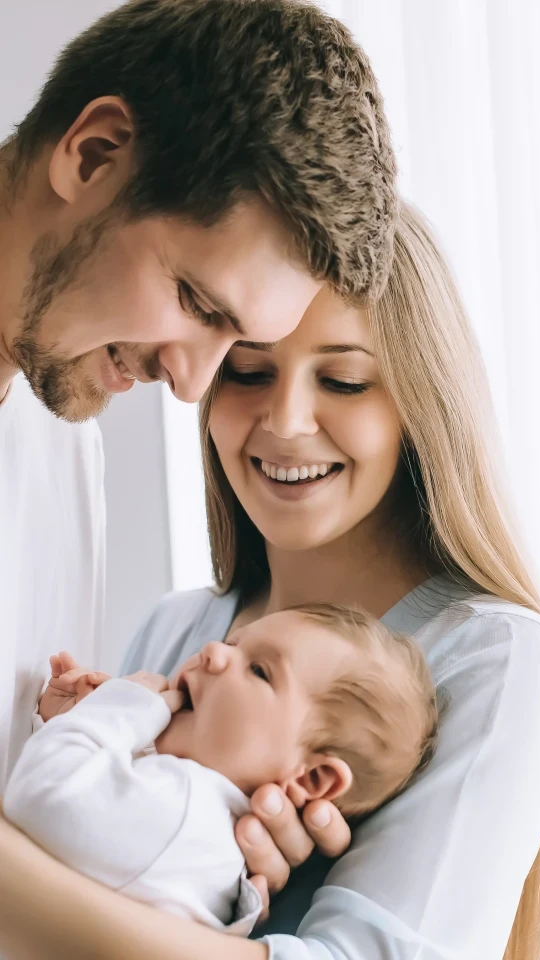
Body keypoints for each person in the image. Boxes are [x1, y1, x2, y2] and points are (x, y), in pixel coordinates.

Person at [0, 203, 540, 960]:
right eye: (249, 372)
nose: (285, 422)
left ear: (421, 406)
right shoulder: (175, 632)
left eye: (344, 381)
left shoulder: (491, 657)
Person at [0, 0, 397, 827]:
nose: (189, 385)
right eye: (195, 301)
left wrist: (182, 830)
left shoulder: (64, 453)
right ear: (94, 153)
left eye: (235, 345)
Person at [4, 605, 436, 936]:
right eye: (231, 643)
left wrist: (116, 710)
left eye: (259, 670)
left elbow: (38, 797)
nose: (212, 652)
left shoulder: (185, 813)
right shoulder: (192, 816)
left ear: (311, 778)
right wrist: (68, 720)